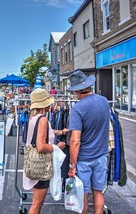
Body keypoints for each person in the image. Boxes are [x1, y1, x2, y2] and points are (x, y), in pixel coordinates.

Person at [67, 70, 110, 214]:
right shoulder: (104, 101)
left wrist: (72, 166)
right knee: (98, 192)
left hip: (84, 159)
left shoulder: (77, 109)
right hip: (101, 155)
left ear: (77, 91)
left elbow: (75, 141)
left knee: (83, 194)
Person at [23, 88, 66, 214]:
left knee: (37, 202)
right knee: (37, 204)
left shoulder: (34, 118)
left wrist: (61, 131)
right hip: (41, 165)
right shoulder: (42, 119)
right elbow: (41, 146)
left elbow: (41, 135)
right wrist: (57, 147)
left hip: (33, 162)